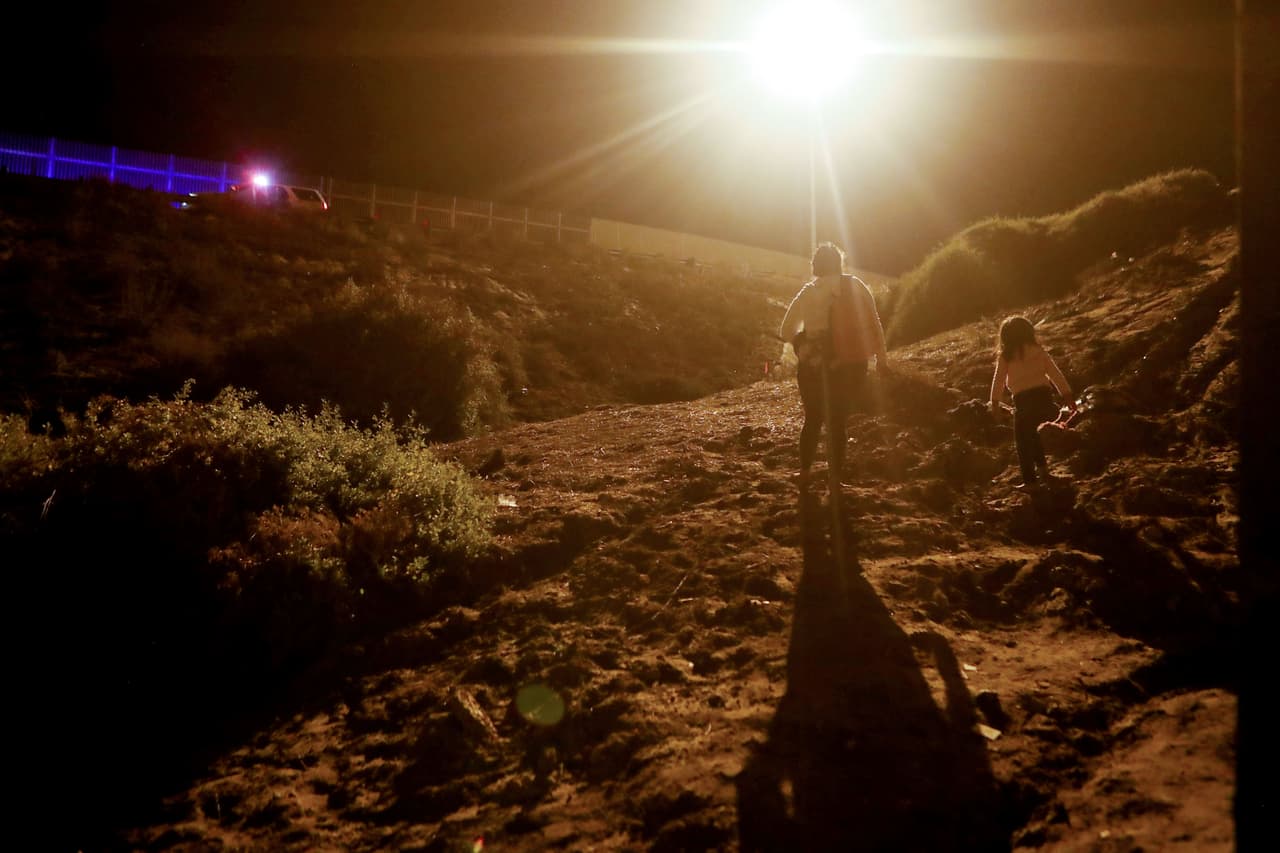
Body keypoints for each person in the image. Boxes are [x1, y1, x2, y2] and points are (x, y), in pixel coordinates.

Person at [779, 242, 890, 488]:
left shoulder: (808, 291)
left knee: (812, 419)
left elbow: (786, 329)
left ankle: (805, 473)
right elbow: (874, 322)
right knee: (838, 421)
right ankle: (835, 480)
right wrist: (881, 359)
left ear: (816, 265)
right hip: (848, 364)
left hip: (812, 365)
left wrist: (803, 345)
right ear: (839, 262)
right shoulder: (855, 285)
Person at [988, 316, 1077, 489]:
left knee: (1023, 443)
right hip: (1044, 399)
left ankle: (1030, 482)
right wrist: (1068, 396)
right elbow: (1055, 374)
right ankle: (1044, 472)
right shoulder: (1039, 351)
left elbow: (998, 381)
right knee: (1036, 437)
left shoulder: (1006, 357)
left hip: (1023, 403)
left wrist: (995, 403)